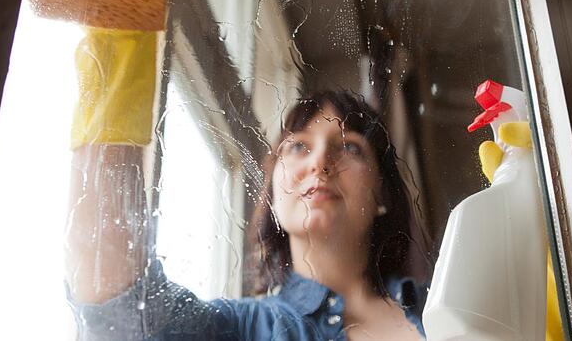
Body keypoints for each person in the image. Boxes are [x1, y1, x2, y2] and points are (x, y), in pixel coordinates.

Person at [67, 91, 429, 340]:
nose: (319, 161)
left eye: (349, 146)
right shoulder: (237, 330)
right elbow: (120, 304)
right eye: (299, 146)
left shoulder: (446, 300)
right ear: (272, 192)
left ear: (383, 193)